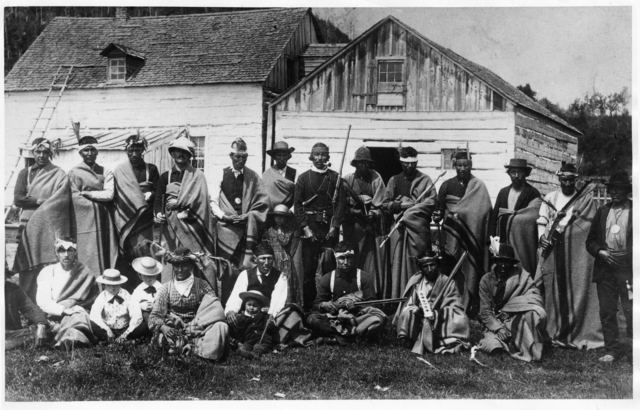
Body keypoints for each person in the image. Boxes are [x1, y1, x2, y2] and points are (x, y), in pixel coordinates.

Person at [537, 162, 603, 349]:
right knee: (549, 287)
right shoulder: (550, 197)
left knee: (576, 285)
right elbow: (542, 220)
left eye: (571, 179)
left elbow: (589, 224)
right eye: (564, 179)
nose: (567, 182)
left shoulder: (584, 199)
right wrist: (541, 237)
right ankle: (552, 328)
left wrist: (570, 234)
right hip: (552, 248)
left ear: (576, 180)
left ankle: (577, 329)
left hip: (576, 250)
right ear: (558, 179)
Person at [432, 149, 491, 316]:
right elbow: (440, 211)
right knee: (451, 270)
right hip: (451, 237)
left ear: (471, 165)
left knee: (471, 270)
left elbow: (485, 212)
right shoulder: (446, 185)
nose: (462, 168)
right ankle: (450, 304)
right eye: (459, 165)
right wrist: (437, 216)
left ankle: (470, 305)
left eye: (466, 165)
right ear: (454, 166)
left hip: (471, 236)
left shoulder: (478, 186)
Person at [12, 137, 71, 301]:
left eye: (45, 152)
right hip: (28, 223)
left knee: (47, 262)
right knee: (27, 261)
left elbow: (62, 196)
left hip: (48, 223)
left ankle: (46, 300)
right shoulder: (26, 173)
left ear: (50, 153)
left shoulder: (58, 173)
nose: (42, 155)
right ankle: (25, 299)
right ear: (33, 152)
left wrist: (47, 205)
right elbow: (18, 199)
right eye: (38, 151)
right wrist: (39, 201)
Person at [211, 138, 269, 301]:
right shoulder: (220, 174)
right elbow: (213, 201)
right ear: (231, 156)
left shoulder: (253, 177)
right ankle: (226, 305)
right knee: (228, 269)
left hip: (246, 229)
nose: (240, 160)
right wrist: (224, 216)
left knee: (246, 269)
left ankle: (245, 305)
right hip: (226, 231)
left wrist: (249, 216)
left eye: (244, 157)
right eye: (237, 157)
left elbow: (262, 201)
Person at [154, 136, 216, 285]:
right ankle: (169, 292)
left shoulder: (198, 175)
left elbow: (202, 201)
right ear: (172, 154)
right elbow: (158, 199)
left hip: (193, 227)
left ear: (190, 155)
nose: (180, 155)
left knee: (193, 258)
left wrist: (180, 202)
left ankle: (197, 292)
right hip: (171, 227)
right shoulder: (165, 176)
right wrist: (158, 214)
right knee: (171, 259)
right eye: (177, 151)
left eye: (184, 152)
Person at [149, 247, 229, 361]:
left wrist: (196, 325)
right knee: (164, 338)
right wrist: (163, 327)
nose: (180, 270)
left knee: (221, 326)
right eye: (176, 266)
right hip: (175, 329)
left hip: (198, 329)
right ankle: (189, 349)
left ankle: (195, 350)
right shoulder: (166, 288)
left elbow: (214, 308)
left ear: (191, 267)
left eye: (184, 265)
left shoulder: (202, 285)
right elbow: (154, 315)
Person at [586, 171, 633, 362]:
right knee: (607, 310)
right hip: (605, 269)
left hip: (629, 270)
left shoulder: (635, 211)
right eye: (612, 190)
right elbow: (590, 241)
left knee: (631, 310)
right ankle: (612, 349)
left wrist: (629, 256)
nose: (615, 193)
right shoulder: (603, 211)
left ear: (627, 192)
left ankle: (632, 349)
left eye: (619, 190)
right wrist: (601, 252)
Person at [293, 142, 346, 310]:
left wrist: (335, 226)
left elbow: (341, 205)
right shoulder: (303, 178)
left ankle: (330, 304)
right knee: (308, 270)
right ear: (311, 156)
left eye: (323, 155)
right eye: (316, 154)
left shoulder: (335, 178)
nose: (320, 158)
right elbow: (297, 206)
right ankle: (309, 305)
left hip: (329, 230)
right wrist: (305, 228)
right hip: (310, 229)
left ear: (328, 157)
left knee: (329, 268)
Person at [477, 243, 547, 362]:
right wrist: (498, 328)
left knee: (534, 313)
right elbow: (485, 311)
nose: (503, 265)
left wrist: (511, 310)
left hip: (516, 317)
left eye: (507, 262)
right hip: (496, 320)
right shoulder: (486, 280)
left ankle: (527, 347)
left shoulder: (522, 276)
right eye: (500, 261)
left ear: (512, 264)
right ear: (495, 262)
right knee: (493, 346)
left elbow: (534, 297)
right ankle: (506, 342)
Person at [382, 146, 436, 300]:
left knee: (418, 263)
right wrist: (400, 206)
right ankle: (399, 298)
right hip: (399, 230)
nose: (410, 166)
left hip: (418, 231)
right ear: (401, 163)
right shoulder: (394, 180)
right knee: (398, 265)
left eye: (413, 163)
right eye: (406, 163)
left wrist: (412, 210)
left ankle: (421, 298)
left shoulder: (425, 180)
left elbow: (431, 202)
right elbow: (385, 204)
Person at [307, 242, 386, 345]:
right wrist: (324, 305)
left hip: (357, 318)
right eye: (342, 258)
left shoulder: (363, 277)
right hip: (335, 319)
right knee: (313, 319)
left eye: (349, 258)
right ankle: (351, 337)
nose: (346, 262)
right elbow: (316, 305)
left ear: (353, 259)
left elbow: (373, 304)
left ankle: (333, 339)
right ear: (336, 259)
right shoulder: (327, 278)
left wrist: (357, 307)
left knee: (377, 320)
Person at [393, 251, 470, 355]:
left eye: (432, 265)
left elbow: (455, 306)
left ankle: (437, 340)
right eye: (425, 266)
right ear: (420, 268)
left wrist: (436, 313)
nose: (429, 269)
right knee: (407, 313)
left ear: (437, 265)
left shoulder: (448, 282)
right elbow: (409, 304)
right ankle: (410, 340)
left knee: (461, 318)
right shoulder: (416, 282)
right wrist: (417, 309)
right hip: (419, 318)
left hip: (438, 320)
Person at [112, 134, 160, 291]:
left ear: (143, 151)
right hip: (126, 220)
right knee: (127, 256)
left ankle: (148, 289)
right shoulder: (120, 170)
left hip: (145, 221)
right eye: (131, 150)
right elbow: (118, 195)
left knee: (145, 254)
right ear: (126, 151)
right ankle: (130, 291)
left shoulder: (151, 169)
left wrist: (150, 195)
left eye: (138, 150)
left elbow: (159, 191)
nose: (134, 154)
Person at [68, 135, 118, 279]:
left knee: (105, 250)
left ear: (97, 152)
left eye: (92, 150)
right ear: (80, 153)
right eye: (86, 150)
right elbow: (74, 196)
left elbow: (109, 194)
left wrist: (87, 193)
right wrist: (93, 203)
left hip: (104, 219)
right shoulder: (73, 172)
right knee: (86, 251)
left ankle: (106, 282)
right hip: (83, 220)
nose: (89, 153)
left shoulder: (106, 171)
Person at [35, 236, 100, 348]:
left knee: (79, 314)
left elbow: (91, 300)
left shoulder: (85, 273)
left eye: (70, 250)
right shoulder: (48, 272)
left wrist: (74, 308)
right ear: (56, 253)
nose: (66, 254)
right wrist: (64, 310)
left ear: (75, 252)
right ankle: (72, 337)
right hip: (53, 314)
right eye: (61, 250)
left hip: (75, 312)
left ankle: (70, 339)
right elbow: (43, 302)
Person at [343, 146, 388, 298]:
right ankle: (351, 291)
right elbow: (342, 205)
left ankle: (370, 292)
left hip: (371, 227)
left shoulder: (376, 178)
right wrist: (354, 211)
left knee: (370, 260)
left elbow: (382, 202)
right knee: (352, 258)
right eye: (360, 163)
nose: (363, 166)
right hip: (353, 227)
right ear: (355, 164)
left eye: (366, 163)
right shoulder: (348, 180)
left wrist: (374, 214)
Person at [488, 158, 541, 274]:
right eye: (513, 172)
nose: (516, 176)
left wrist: (514, 221)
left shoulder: (532, 193)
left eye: (520, 172)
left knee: (521, 269)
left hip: (521, 242)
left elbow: (532, 217)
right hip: (503, 240)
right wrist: (491, 239)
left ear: (526, 174)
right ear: (509, 173)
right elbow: (495, 216)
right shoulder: (503, 192)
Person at [262, 204, 304, 306]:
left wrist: (280, 230)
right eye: (277, 217)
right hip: (274, 259)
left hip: (284, 258)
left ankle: (288, 304)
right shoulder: (270, 230)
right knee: (275, 280)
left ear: (286, 218)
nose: (279, 219)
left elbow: (284, 241)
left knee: (286, 280)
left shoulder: (288, 230)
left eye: (282, 217)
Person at [90, 269, 145, 344]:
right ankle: (113, 340)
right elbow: (94, 315)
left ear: (120, 284)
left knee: (143, 326)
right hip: (108, 328)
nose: (112, 288)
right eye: (109, 285)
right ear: (104, 285)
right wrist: (107, 329)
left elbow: (136, 314)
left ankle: (122, 340)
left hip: (125, 328)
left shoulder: (126, 295)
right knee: (93, 324)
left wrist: (126, 333)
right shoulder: (102, 297)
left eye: (115, 285)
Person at [5, 265, 49, 350]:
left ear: (6, 274)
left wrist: (41, 325)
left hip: (13, 333)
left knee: (41, 332)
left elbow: (30, 308)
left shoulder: (13, 288)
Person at [230, 290, 277, 360]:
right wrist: (238, 341)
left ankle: (255, 354)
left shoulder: (264, 316)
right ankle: (242, 353)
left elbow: (270, 328)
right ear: (245, 304)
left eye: (255, 305)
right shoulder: (242, 317)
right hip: (248, 340)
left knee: (259, 346)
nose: (251, 308)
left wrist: (270, 323)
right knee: (245, 347)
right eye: (249, 305)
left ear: (260, 306)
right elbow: (239, 331)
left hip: (262, 339)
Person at [131, 256, 164, 335]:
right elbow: (131, 305)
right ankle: (154, 330)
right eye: (145, 276)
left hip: (159, 315)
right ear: (140, 276)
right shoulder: (138, 290)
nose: (148, 279)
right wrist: (140, 306)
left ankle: (157, 329)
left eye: (151, 276)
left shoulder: (161, 288)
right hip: (144, 319)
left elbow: (166, 304)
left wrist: (155, 306)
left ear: (156, 275)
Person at [262, 141, 297, 210]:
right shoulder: (267, 174)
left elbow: (297, 196)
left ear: (288, 157)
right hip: (271, 212)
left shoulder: (294, 173)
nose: (282, 158)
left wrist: (290, 210)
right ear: (274, 157)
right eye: (279, 155)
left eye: (284, 155)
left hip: (288, 212)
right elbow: (264, 195)